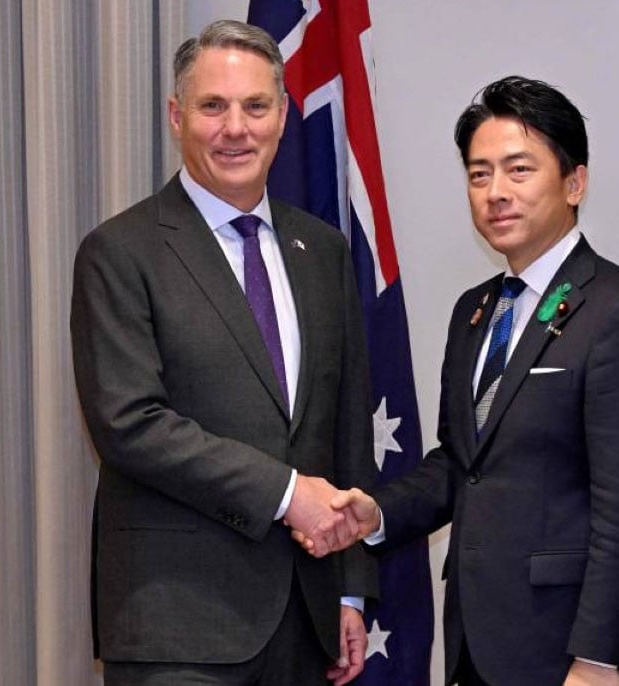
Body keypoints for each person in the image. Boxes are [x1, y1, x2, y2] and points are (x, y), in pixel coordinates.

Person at [301, 76, 619, 686]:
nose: (496, 192)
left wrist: (597, 659)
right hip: (478, 648)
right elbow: (463, 463)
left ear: (574, 183)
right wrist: (377, 512)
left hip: (572, 655)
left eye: (518, 170)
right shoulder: (476, 311)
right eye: (479, 175)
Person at [70, 20, 377, 686]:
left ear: (283, 116)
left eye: (255, 106)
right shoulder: (120, 253)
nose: (235, 128)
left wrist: (350, 588)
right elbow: (129, 424)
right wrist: (288, 495)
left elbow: (346, 429)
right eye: (213, 106)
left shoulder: (323, 252)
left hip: (306, 620)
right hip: (178, 626)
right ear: (177, 117)